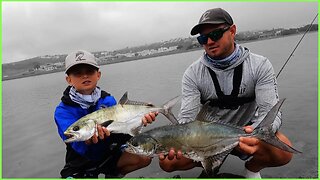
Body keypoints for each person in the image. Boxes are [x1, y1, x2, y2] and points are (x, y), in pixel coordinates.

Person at [156, 8, 294, 178]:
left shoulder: (260, 65)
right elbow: (187, 118)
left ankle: (251, 169)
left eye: (215, 34)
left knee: (284, 151)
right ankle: (211, 162)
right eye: (203, 38)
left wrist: (255, 132)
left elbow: (270, 111)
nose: (209, 42)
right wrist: (176, 140)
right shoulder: (192, 74)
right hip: (206, 139)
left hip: (247, 133)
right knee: (168, 162)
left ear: (233, 31)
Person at [54, 50, 156, 178]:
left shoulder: (108, 100)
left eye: (89, 71)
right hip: (80, 162)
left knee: (144, 157)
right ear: (69, 79)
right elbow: (74, 142)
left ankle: (113, 175)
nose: (85, 76)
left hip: (108, 154)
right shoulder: (62, 111)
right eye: (78, 73)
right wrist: (89, 141)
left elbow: (121, 130)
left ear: (98, 75)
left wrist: (140, 120)